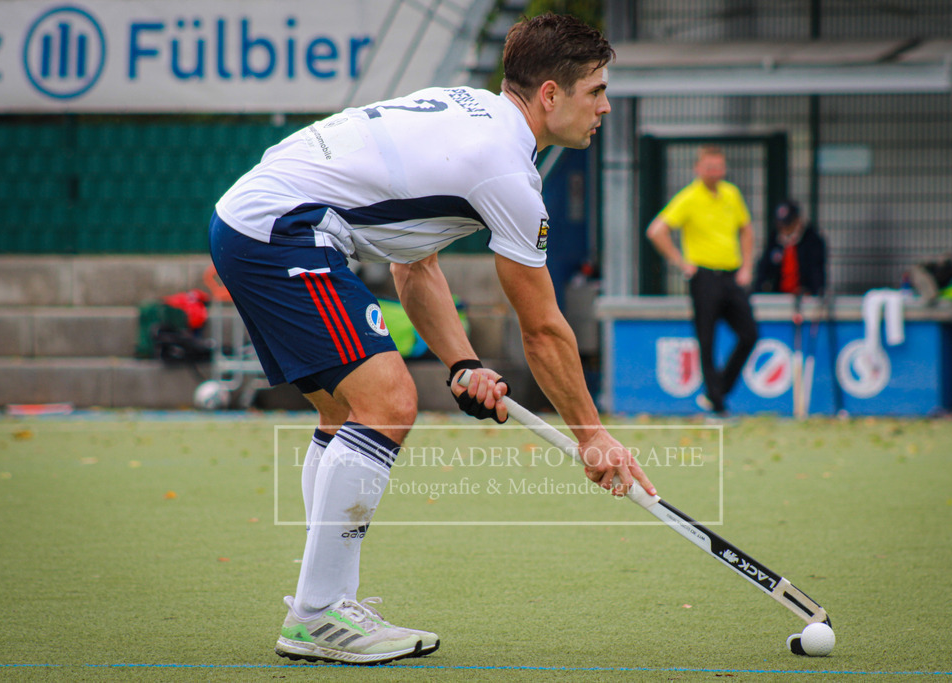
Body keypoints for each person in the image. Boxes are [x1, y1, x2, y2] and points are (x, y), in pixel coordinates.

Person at [209, 13, 657, 666]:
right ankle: (317, 613)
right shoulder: (505, 172)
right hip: (285, 228)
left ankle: (330, 602)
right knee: (387, 403)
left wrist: (464, 362)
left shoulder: (472, 113)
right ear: (551, 95)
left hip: (252, 220)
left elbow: (413, 264)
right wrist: (592, 435)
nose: (606, 107)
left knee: (343, 413)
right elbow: (542, 327)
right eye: (596, 91)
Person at [645, 146, 759, 416]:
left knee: (749, 334)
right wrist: (681, 262)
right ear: (697, 169)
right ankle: (718, 406)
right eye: (709, 167)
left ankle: (716, 390)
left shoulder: (731, 194)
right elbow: (656, 231)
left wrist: (747, 267)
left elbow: (746, 231)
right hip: (704, 277)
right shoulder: (689, 198)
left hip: (731, 275)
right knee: (707, 340)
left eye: (718, 167)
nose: (714, 172)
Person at [754, 199, 827, 296]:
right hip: (778, 296)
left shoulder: (812, 240)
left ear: (797, 220)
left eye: (787, 224)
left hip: (804, 298)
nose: (784, 229)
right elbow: (764, 268)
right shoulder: (775, 239)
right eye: (781, 225)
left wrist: (810, 291)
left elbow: (816, 272)